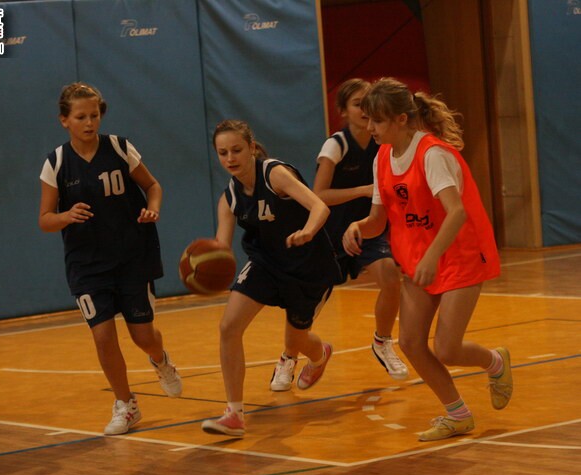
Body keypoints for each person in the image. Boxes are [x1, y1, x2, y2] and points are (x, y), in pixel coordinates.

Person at [342, 78, 512, 441]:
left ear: (401, 119)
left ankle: (495, 362)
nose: (370, 128)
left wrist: (433, 256)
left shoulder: (432, 155)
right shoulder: (382, 157)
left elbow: (456, 213)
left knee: (447, 348)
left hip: (460, 255)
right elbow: (378, 221)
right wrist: (357, 226)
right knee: (410, 342)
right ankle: (458, 415)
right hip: (421, 259)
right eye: (368, 120)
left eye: (378, 121)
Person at [38, 82, 182, 436]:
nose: (89, 122)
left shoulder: (118, 147)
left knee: (143, 336)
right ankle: (126, 404)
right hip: (87, 264)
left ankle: (160, 359)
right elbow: (45, 219)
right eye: (80, 117)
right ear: (64, 120)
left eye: (94, 115)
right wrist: (65, 216)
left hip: (132, 256)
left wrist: (153, 208)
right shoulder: (56, 162)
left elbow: (153, 186)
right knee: (103, 336)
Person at [201, 120, 342, 437]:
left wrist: (307, 231)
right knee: (228, 327)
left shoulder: (274, 173)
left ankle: (319, 355)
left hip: (309, 266)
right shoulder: (229, 198)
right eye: (222, 153)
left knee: (296, 342)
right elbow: (222, 249)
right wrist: (204, 266)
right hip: (266, 264)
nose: (230, 158)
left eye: (236, 150)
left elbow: (320, 206)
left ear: (251, 148)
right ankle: (234, 414)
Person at [270, 79, 407, 392]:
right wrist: (362, 190)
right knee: (305, 312)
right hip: (328, 235)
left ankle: (383, 341)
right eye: (358, 104)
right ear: (343, 111)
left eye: (368, 103)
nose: (364, 110)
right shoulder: (337, 145)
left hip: (366, 229)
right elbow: (318, 194)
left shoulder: (384, 143)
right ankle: (289, 356)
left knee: (390, 277)